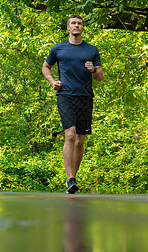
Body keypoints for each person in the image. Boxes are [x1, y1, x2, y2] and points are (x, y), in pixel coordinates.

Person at [42, 15, 103, 194]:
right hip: (65, 96)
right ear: (68, 27)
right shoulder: (58, 49)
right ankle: (70, 179)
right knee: (70, 135)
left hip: (85, 97)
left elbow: (99, 76)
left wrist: (93, 70)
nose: (77, 26)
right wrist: (53, 82)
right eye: (74, 23)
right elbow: (46, 67)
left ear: (82, 28)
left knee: (79, 140)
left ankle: (72, 180)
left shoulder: (92, 50)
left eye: (80, 23)